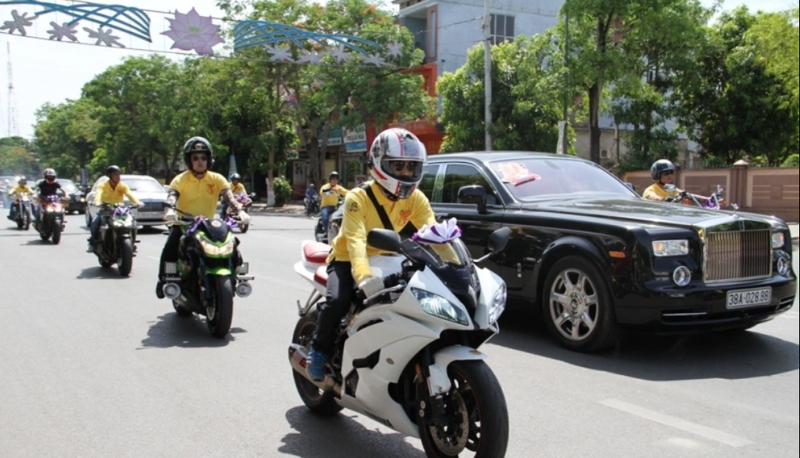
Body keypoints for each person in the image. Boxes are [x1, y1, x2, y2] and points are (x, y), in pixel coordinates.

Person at [306, 128, 455, 381]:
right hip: (346, 259)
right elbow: (355, 240)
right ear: (379, 164)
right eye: (398, 166)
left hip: (389, 257)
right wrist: (363, 276)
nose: (406, 173)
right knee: (338, 301)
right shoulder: (357, 197)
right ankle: (318, 350)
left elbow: (433, 234)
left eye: (411, 166)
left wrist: (456, 265)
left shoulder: (416, 199)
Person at [155, 137, 251, 298]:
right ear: (189, 160)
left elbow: (230, 198)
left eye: (203, 157)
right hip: (183, 223)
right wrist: (169, 210)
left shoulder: (217, 179)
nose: (200, 161)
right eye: (195, 158)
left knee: (232, 243)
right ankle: (162, 279)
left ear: (209, 159)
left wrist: (240, 211)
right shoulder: (181, 179)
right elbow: (172, 196)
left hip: (208, 224)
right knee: (171, 245)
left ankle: (235, 277)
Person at [87, 166, 141, 252]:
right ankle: (93, 243)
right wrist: (97, 202)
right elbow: (98, 194)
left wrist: (137, 202)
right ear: (109, 176)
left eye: (119, 174)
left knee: (133, 223)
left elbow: (130, 194)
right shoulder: (102, 186)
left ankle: (132, 243)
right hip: (105, 210)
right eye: (115, 174)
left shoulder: (122, 186)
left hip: (120, 211)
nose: (118, 177)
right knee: (94, 223)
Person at [643, 159, 708, 203]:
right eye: (666, 173)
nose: (670, 175)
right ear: (657, 174)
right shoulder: (650, 190)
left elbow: (686, 195)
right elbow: (651, 196)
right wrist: (663, 199)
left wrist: (709, 199)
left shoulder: (669, 188)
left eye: (671, 172)